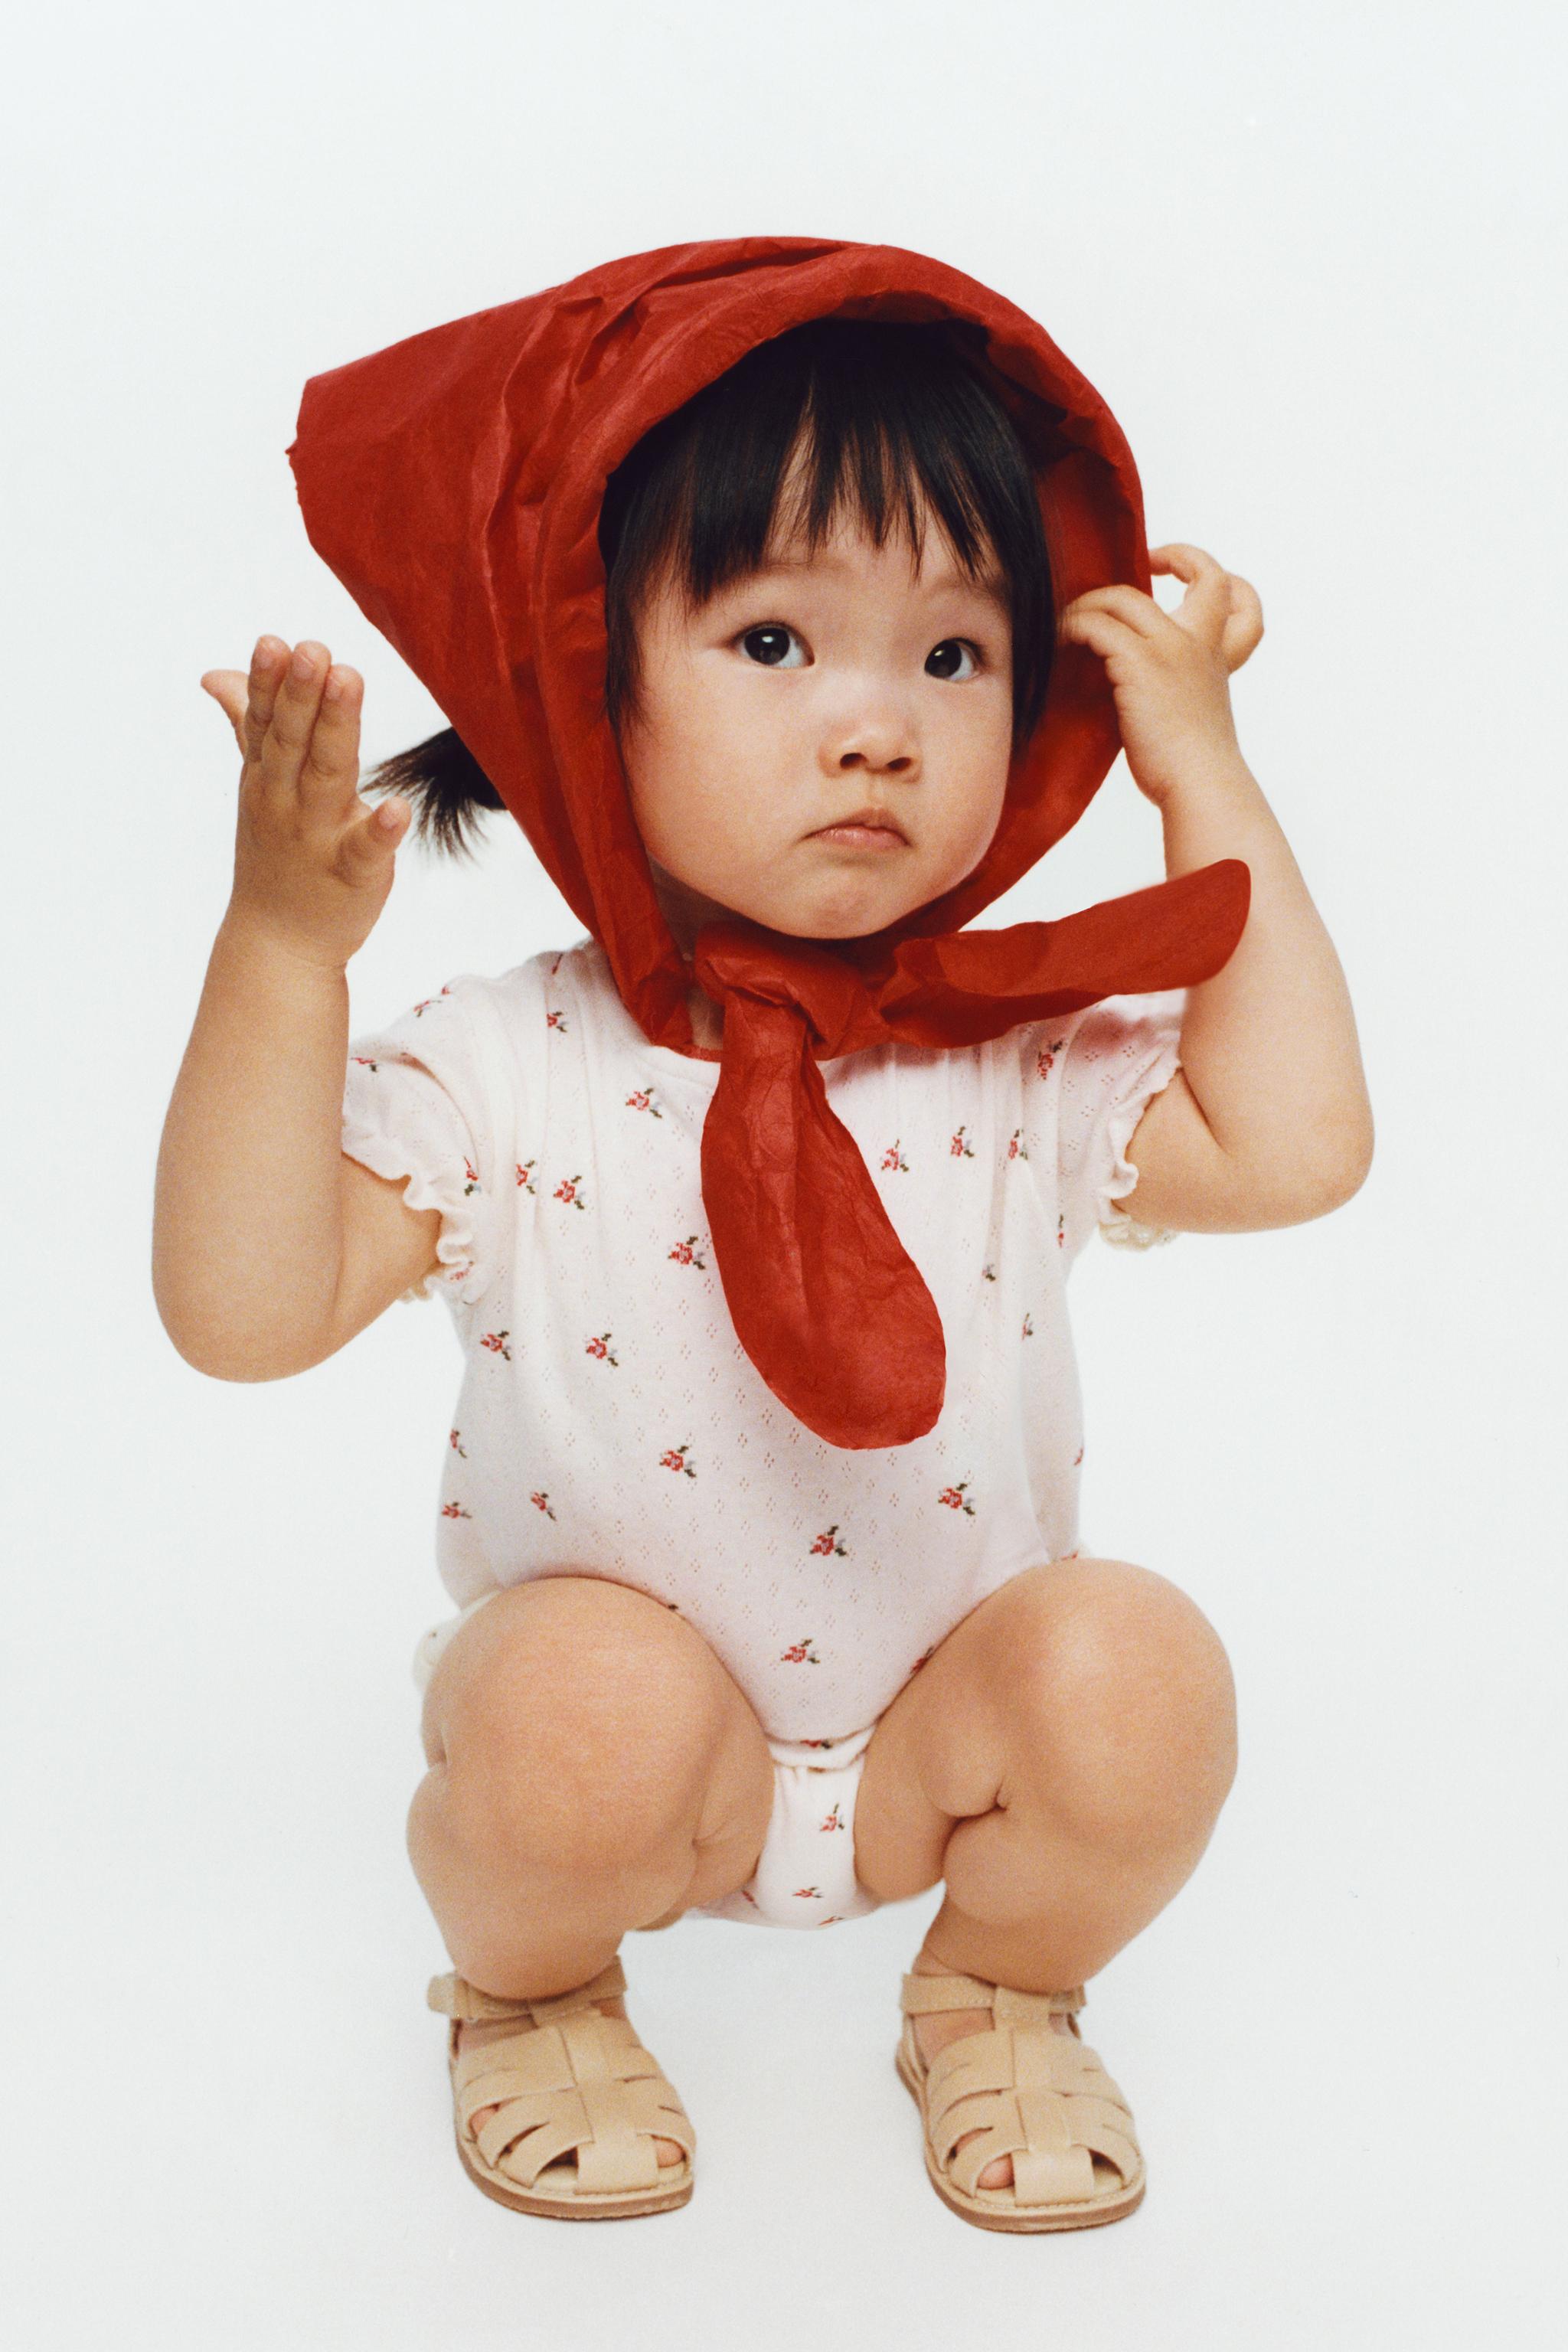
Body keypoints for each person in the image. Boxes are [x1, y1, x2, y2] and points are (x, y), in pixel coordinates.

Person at [153, 240, 1373, 2233]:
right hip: (635, 1756)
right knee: (573, 1710)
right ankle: (532, 1993)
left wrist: (1206, 773)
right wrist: (283, 958)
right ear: (585, 688)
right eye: (778, 641)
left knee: (1140, 1676)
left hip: (934, 1744)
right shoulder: (509, 1063)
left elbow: (1300, 1148)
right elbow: (242, 1313)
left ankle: (997, 1986)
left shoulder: (1013, 1054)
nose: (878, 727)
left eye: (953, 657)